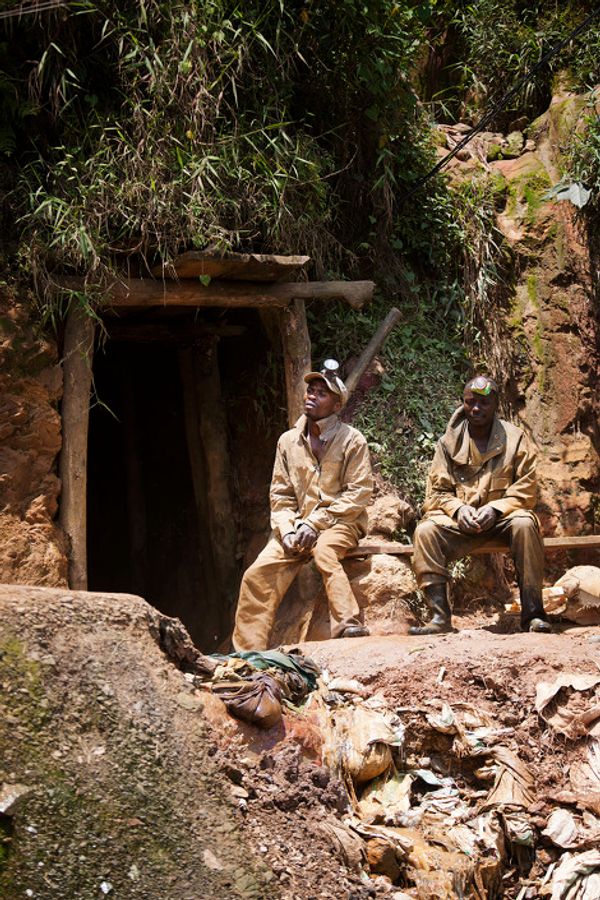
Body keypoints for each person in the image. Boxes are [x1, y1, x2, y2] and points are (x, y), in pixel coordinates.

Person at [232, 361, 373, 651]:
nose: (312, 395)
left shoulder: (352, 440)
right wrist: (288, 529)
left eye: (322, 394)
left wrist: (315, 523)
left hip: (341, 523)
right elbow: (281, 494)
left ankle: (348, 624)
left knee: (325, 552)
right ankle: (248, 651)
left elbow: (358, 493)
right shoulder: (287, 442)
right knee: (256, 574)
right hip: (298, 527)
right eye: (311, 390)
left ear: (336, 405)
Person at [410, 375, 551, 635]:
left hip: (501, 520)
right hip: (460, 522)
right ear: (463, 403)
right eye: (470, 402)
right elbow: (436, 493)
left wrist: (496, 508)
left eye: (484, 403)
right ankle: (439, 618)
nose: (476, 408)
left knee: (525, 523)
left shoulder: (515, 438)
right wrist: (458, 509)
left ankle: (533, 615)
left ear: (496, 403)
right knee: (425, 531)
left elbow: (526, 488)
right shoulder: (447, 443)